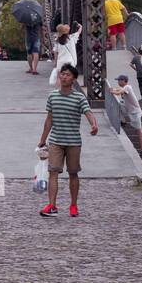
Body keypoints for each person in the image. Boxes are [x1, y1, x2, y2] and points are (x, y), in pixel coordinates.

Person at [38, 64, 99, 217]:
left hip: (73, 142)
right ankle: (52, 205)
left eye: (67, 75)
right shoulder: (53, 96)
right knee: (53, 172)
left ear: (73, 79)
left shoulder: (79, 97)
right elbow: (49, 120)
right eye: (62, 74)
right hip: (56, 141)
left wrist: (94, 124)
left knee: (73, 173)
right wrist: (42, 140)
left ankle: (73, 205)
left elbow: (88, 112)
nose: (64, 77)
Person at [108, 74, 142, 154]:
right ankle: (123, 121)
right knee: (118, 105)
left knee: (139, 131)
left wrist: (112, 91)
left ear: (123, 81)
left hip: (135, 112)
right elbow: (118, 89)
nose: (118, 82)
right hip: (129, 110)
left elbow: (119, 92)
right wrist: (113, 89)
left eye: (119, 80)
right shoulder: (125, 87)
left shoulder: (127, 87)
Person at [48, 22, 81, 87]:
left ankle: (58, 92)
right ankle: (69, 91)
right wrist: (80, 27)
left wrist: (55, 62)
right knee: (70, 78)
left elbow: (55, 53)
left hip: (61, 61)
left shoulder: (57, 41)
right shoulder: (71, 38)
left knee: (58, 78)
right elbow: (79, 32)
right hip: (70, 61)